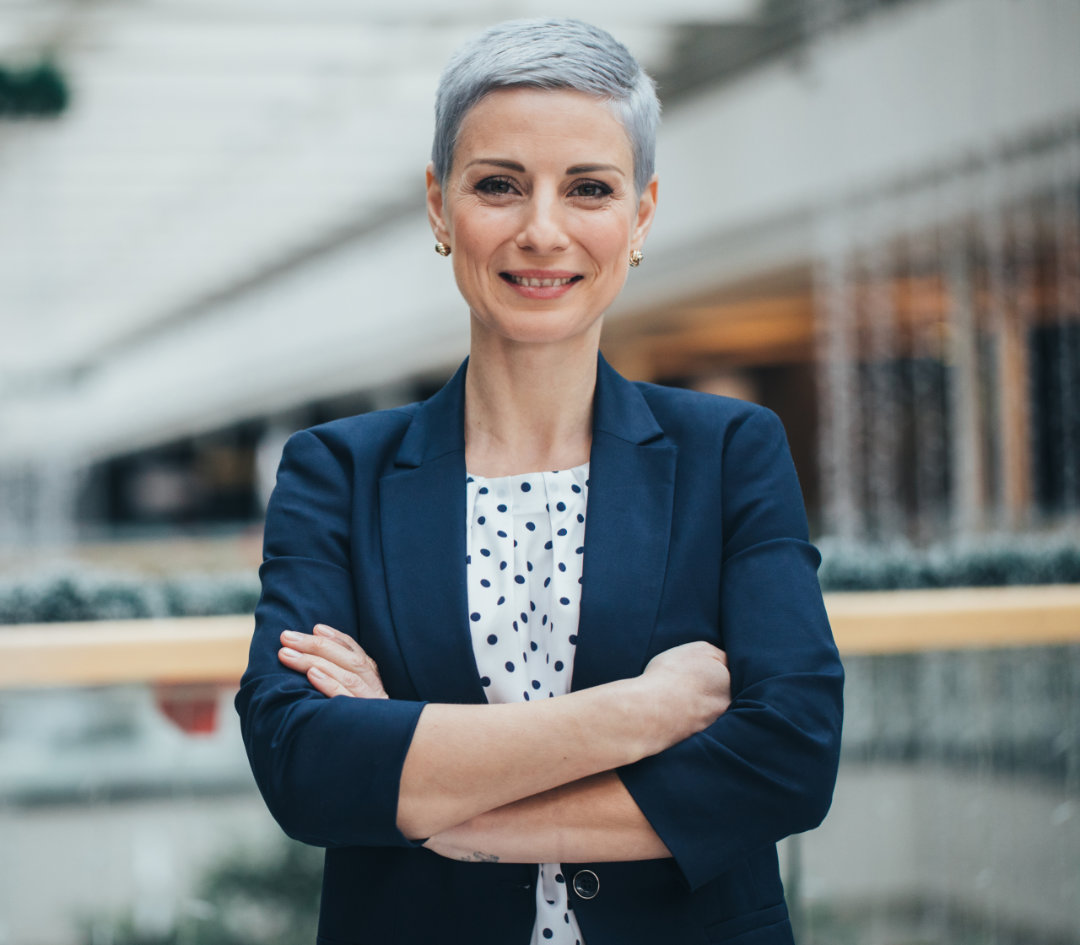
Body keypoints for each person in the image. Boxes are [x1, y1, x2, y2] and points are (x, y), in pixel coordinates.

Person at [236, 17, 843, 945]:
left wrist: (436, 798)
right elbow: (305, 764)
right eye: (499, 186)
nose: (542, 230)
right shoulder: (336, 471)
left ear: (640, 216)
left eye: (589, 188)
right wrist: (641, 713)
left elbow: (789, 755)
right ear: (440, 207)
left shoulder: (732, 450)